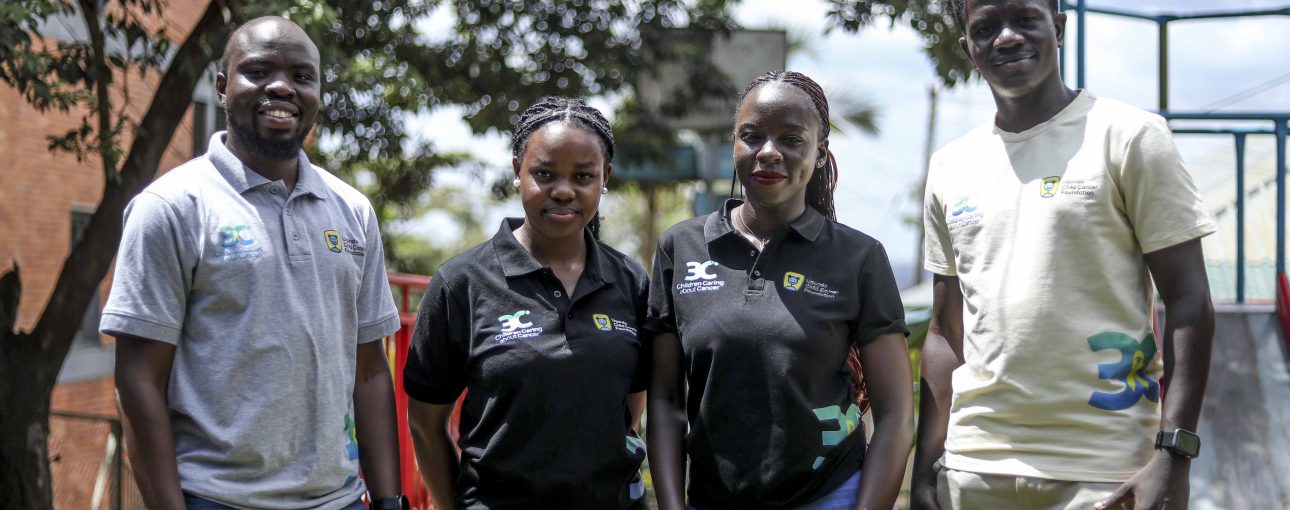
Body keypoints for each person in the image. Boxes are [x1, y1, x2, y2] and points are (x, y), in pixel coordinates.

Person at [911, 1, 1216, 509]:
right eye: (986, 27)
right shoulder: (950, 166)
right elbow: (945, 331)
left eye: (1025, 19)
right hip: (973, 469)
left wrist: (1174, 453)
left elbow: (1189, 299)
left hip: (1105, 472)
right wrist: (924, 469)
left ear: (1057, 27)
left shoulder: (1129, 135)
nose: (1007, 37)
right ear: (967, 47)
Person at [102, 16, 406, 510]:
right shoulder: (172, 207)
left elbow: (370, 372)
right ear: (222, 86)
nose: (282, 87)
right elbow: (138, 381)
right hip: (215, 498)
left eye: (302, 76)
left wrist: (390, 501)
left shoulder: (352, 210)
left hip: (338, 499)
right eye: (259, 72)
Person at [646, 70, 915, 510]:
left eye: (791, 139)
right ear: (734, 144)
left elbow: (896, 415)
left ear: (820, 152)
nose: (769, 152)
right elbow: (666, 400)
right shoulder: (681, 247)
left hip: (829, 497)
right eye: (752, 136)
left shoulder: (859, 257)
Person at [404, 96, 650, 509]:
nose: (564, 191)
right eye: (544, 173)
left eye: (583, 176)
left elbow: (629, 411)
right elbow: (426, 423)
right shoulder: (461, 283)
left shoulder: (631, 281)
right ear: (518, 170)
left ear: (604, 177)